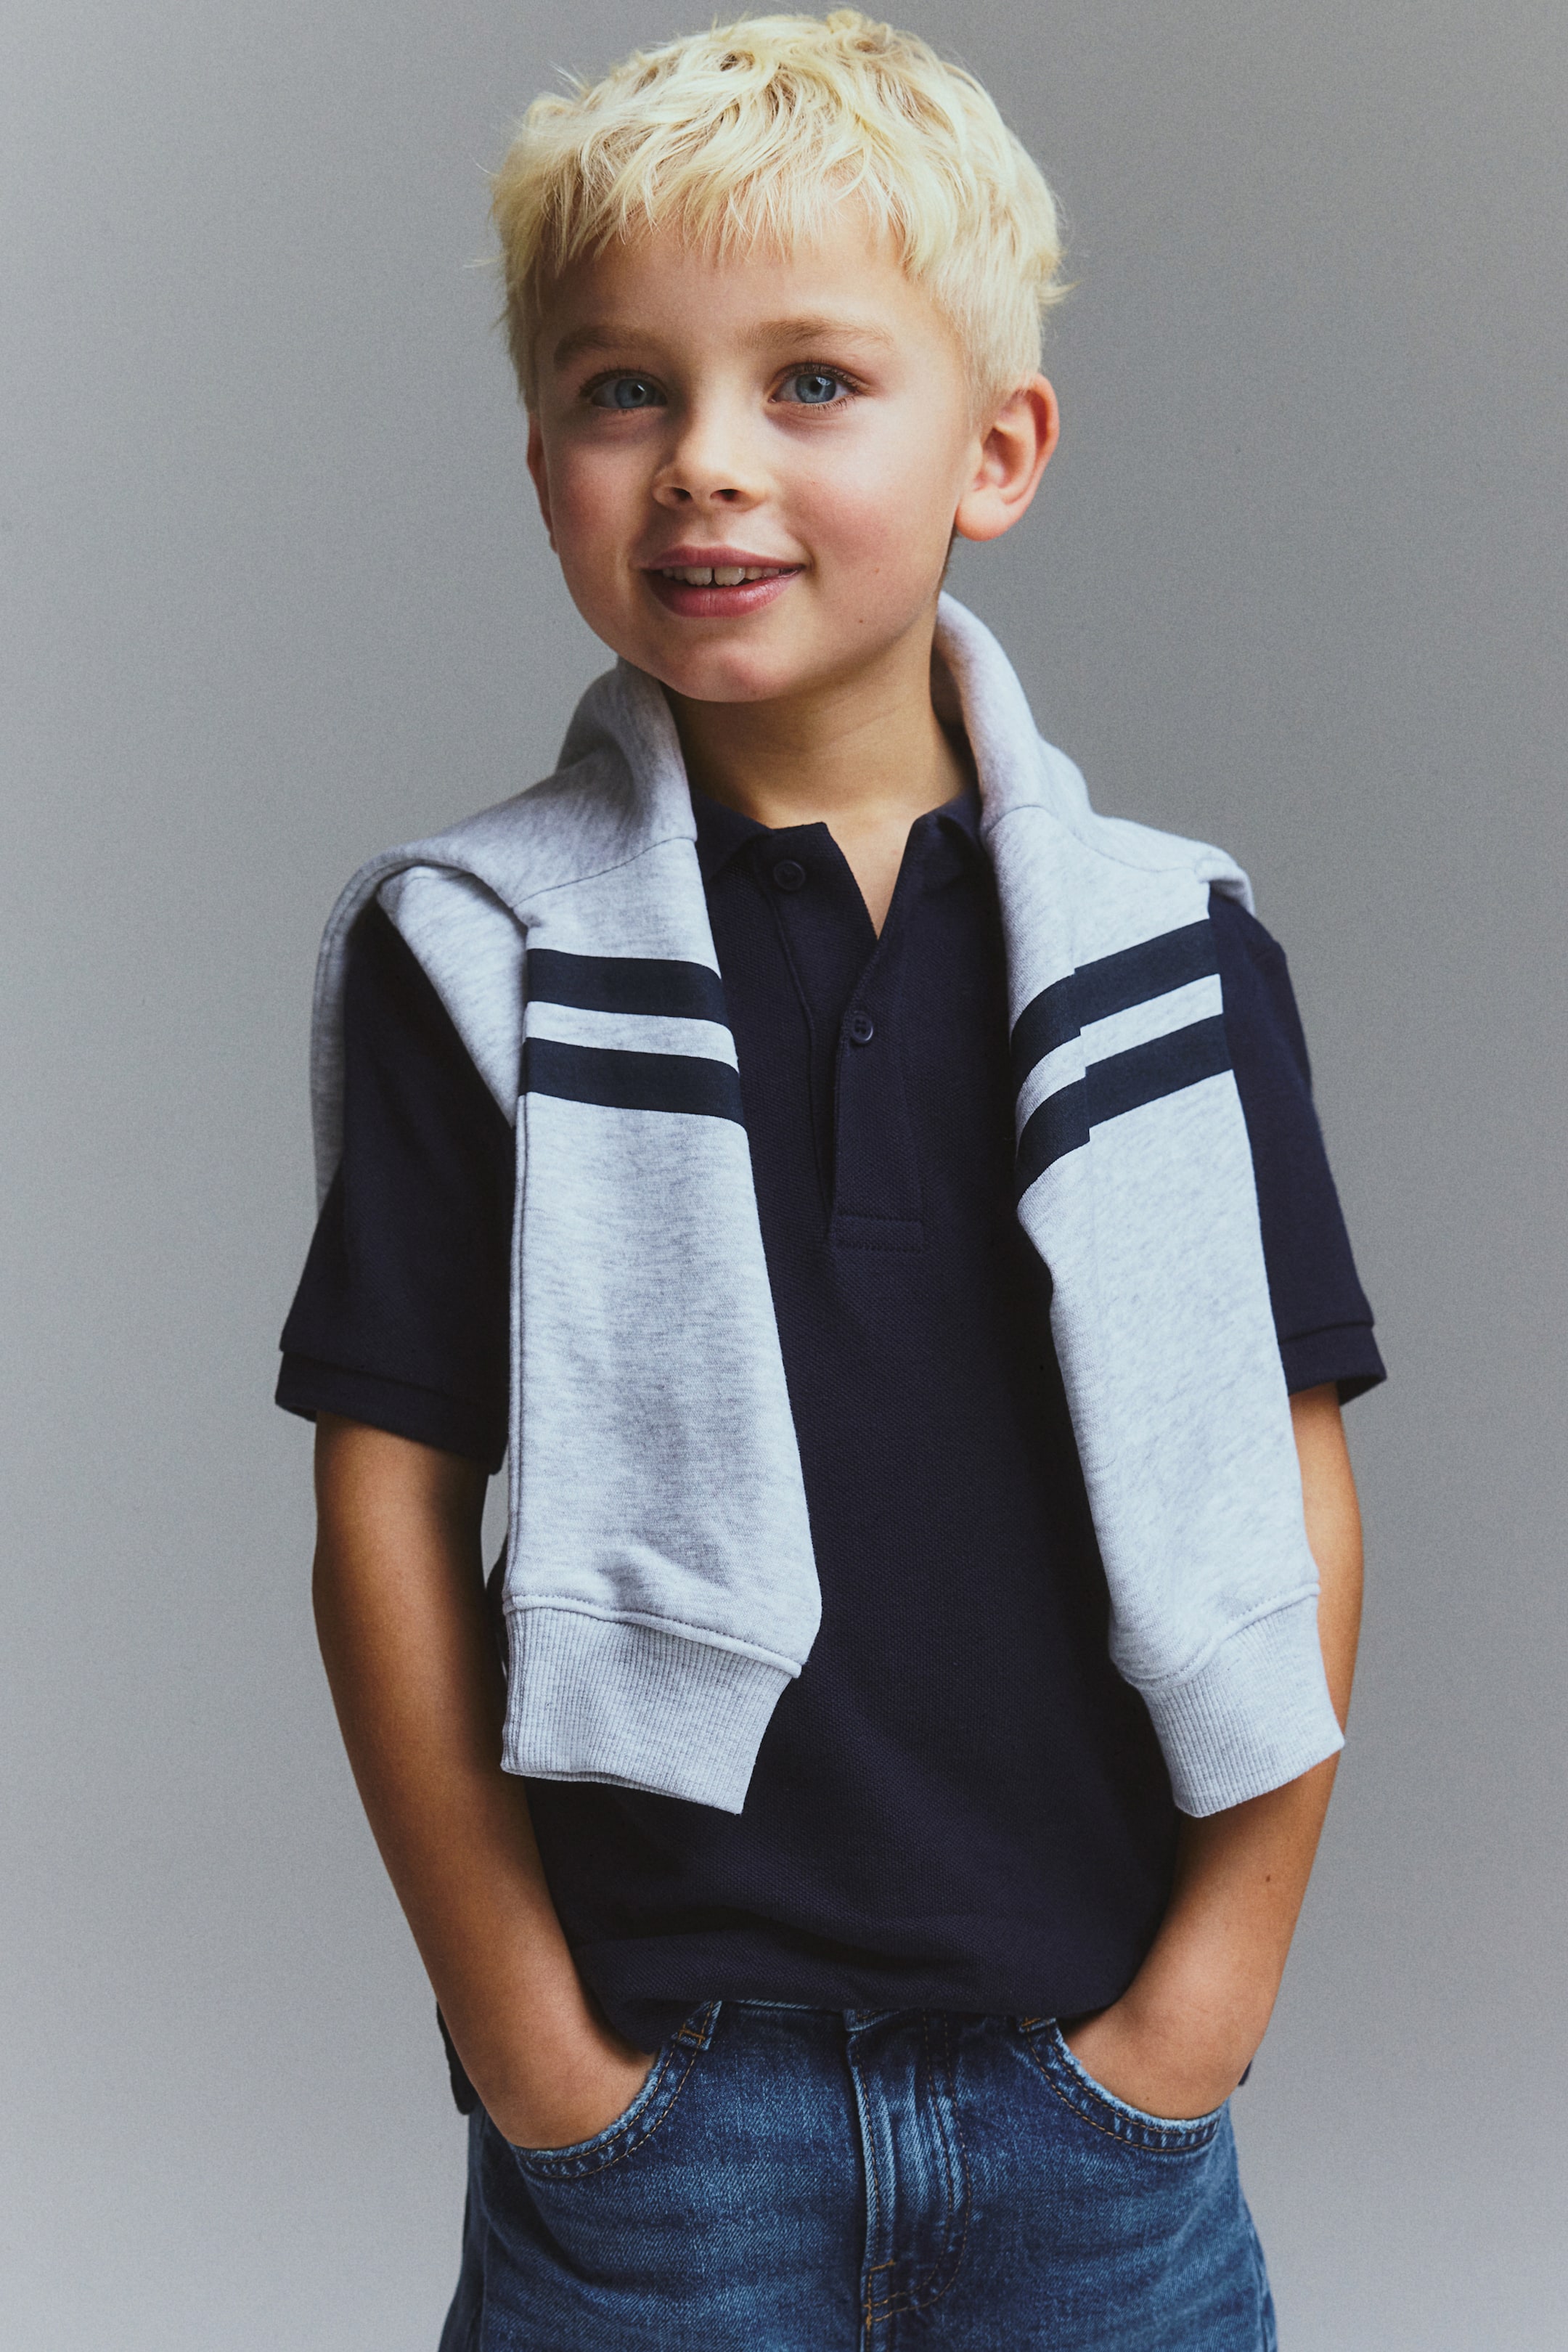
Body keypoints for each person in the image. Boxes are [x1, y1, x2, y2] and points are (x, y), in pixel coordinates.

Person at [277, 13, 1384, 2345]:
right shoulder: (471, 954)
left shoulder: (1175, 947)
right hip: (665, 2112)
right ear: (545, 463)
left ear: (998, 450)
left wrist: (1206, 2004)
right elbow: (388, 1506)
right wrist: (533, 2051)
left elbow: (1289, 1475)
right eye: (623, 390)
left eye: (810, 383)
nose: (705, 462)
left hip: (1099, 2099)